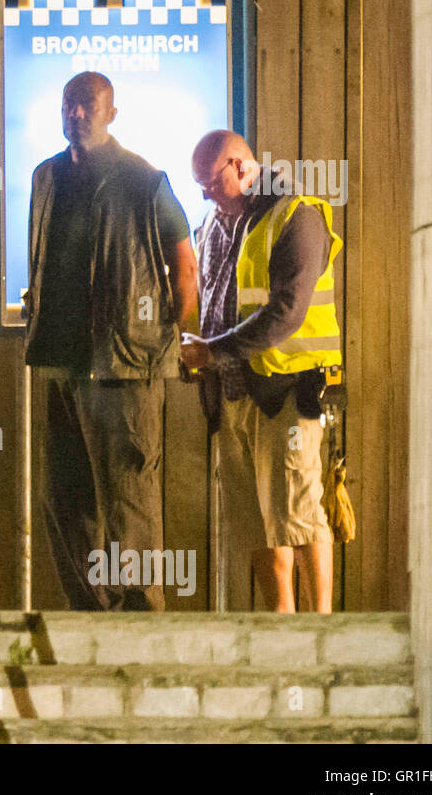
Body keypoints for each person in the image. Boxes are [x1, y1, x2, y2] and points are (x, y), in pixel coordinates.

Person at [21, 71, 197, 611]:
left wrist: (161, 336)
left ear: (112, 113)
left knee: (129, 497)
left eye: (88, 106)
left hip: (125, 364)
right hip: (64, 361)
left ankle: (140, 617)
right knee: (64, 498)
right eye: (69, 105)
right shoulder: (45, 175)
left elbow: (184, 266)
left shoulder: (145, 179)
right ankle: (90, 613)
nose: (77, 114)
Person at [181, 130, 341, 613]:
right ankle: (282, 635)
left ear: (240, 166)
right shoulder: (211, 223)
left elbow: (287, 312)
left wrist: (212, 351)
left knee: (300, 516)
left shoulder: (297, 215)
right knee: (258, 530)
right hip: (231, 399)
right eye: (201, 188)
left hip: (286, 393)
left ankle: (321, 635)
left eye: (211, 183)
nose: (206, 195)